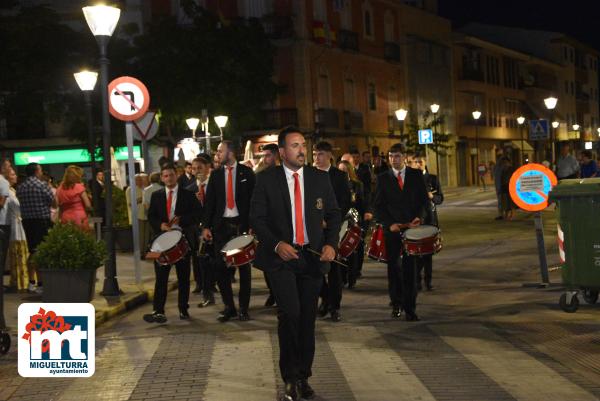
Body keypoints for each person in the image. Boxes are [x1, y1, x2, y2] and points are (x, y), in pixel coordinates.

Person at [249, 126, 341, 401]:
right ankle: (289, 377)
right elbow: (257, 219)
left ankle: (303, 376)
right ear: (281, 151)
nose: (302, 150)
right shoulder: (266, 180)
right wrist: (277, 244)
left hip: (311, 260)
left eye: (303, 145)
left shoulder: (318, 179)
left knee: (307, 319)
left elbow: (334, 214)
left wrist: (331, 244)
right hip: (281, 260)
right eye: (295, 145)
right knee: (290, 314)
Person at [202, 140, 256, 322]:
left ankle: (243, 308)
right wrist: (206, 227)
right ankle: (229, 306)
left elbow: (253, 200)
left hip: (241, 225)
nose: (217, 154)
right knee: (220, 267)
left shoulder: (247, 173)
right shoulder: (215, 176)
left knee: (244, 269)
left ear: (230, 152)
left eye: (220, 151)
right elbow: (209, 203)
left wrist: (253, 225)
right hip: (221, 226)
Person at [374, 143, 429, 321]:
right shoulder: (382, 178)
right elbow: (378, 206)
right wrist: (389, 224)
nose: (393, 159)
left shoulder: (415, 175)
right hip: (393, 230)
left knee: (411, 270)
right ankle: (396, 303)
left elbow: (424, 202)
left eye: (397, 156)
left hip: (412, 230)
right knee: (394, 269)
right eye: (390, 156)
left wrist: (419, 217)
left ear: (404, 157)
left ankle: (410, 308)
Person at [144, 163, 200, 323]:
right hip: (162, 241)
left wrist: (182, 220)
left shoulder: (188, 194)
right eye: (165, 176)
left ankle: (183, 308)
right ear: (162, 178)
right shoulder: (157, 195)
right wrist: (160, 225)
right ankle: (158, 311)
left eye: (171, 175)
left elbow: (197, 213)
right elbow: (151, 216)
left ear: (177, 176)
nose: (169, 178)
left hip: (182, 239)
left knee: (183, 278)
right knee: (161, 278)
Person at [313, 141, 350, 322]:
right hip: (315, 229)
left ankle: (335, 306)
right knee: (315, 267)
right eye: (314, 154)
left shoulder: (339, 176)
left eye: (320, 154)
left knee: (334, 270)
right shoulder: (309, 175)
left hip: (333, 228)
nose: (316, 158)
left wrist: (331, 221)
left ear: (329, 155)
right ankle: (325, 297)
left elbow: (344, 202)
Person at [17, 163, 56, 294]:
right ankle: (41, 283)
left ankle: (31, 282)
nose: (41, 172)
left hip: (27, 222)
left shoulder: (21, 187)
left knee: (32, 250)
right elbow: (54, 203)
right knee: (41, 251)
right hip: (41, 221)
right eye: (40, 170)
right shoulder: (42, 185)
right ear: (36, 171)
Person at [252, 142, 280, 306]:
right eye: (263, 156)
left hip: (281, 226)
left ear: (276, 155)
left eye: (268, 155)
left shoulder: (283, 173)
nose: (265, 159)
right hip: (266, 226)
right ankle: (273, 292)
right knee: (266, 263)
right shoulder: (260, 175)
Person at [186, 155, 216, 307]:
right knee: (201, 260)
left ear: (207, 168)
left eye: (200, 168)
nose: (197, 171)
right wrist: (195, 202)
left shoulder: (214, 186)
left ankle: (212, 284)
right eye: (194, 168)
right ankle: (206, 290)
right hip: (196, 230)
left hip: (212, 228)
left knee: (214, 260)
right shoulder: (189, 190)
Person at [413, 154, 443, 291]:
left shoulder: (433, 178)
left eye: (420, 161)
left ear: (425, 162)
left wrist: (433, 197)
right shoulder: (410, 179)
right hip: (416, 220)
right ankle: (417, 280)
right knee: (416, 252)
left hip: (430, 219)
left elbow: (440, 198)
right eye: (416, 162)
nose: (418, 164)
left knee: (428, 253)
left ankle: (428, 280)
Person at [337, 160, 367, 289]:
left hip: (353, 220)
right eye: (340, 170)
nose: (342, 172)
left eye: (344, 170)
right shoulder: (335, 184)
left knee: (353, 249)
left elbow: (362, 203)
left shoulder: (357, 185)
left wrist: (365, 216)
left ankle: (352, 277)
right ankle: (342, 277)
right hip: (340, 220)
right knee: (341, 249)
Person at [5, 167, 29, 292]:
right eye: (13, 174)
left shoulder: (13, 190)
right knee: (18, 251)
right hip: (14, 224)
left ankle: (21, 280)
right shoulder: (7, 192)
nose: (15, 176)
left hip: (18, 222)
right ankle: (19, 281)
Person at [56, 165, 91, 230]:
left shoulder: (59, 189)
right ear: (77, 176)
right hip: (79, 217)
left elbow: (57, 204)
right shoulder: (79, 187)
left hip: (65, 217)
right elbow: (88, 205)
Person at [143, 172, 163, 238]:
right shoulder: (163, 188)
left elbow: (145, 205)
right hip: (162, 215)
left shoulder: (146, 190)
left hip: (152, 216)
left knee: (153, 235)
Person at [0, 161, 11, 282]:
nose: (10, 169)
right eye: (8, 166)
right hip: (2, 222)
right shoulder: (3, 182)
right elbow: (2, 203)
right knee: (2, 254)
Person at [493, 151, 504, 220]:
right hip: (500, 185)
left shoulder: (499, 166)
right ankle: (502, 214)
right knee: (501, 200)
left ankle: (501, 214)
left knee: (501, 200)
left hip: (501, 186)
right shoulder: (498, 166)